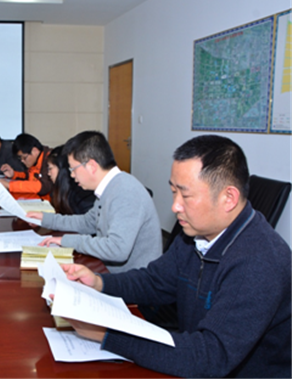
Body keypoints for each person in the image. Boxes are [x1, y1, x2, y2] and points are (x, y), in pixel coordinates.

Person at [59, 135, 291, 378]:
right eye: (173, 191)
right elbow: (155, 281)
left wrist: (108, 336)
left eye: (185, 195)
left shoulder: (259, 262)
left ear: (228, 198)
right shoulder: (195, 236)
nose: (175, 206)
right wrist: (99, 282)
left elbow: (210, 356)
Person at [28, 131, 161, 272]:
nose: (72, 175)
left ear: (92, 166)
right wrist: (46, 219)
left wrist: (68, 241)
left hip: (130, 279)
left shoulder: (125, 191)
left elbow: (117, 249)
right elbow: (87, 222)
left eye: (73, 169)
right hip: (111, 270)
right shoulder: (109, 188)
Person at [0, 133, 53, 200]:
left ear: (34, 151)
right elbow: (27, 176)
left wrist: (10, 185)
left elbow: (43, 187)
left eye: (24, 158)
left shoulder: (50, 160)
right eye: (20, 158)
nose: (22, 161)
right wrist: (14, 174)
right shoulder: (35, 160)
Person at [47, 145, 96, 215]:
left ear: (62, 169)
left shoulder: (84, 193)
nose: (48, 173)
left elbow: (86, 221)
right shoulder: (58, 190)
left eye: (50, 168)